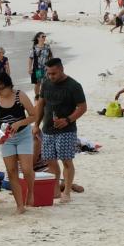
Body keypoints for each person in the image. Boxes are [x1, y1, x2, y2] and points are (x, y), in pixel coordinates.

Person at [32, 57, 87, 203]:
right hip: (48, 129)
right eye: (49, 73)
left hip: (67, 130)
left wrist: (68, 120)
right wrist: (36, 125)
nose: (51, 76)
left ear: (62, 69)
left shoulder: (74, 86)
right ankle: (56, 189)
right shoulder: (46, 84)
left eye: (54, 73)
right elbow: (41, 105)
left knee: (66, 161)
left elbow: (82, 108)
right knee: (50, 160)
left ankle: (67, 192)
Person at [0, 73, 36, 214]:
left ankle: (31, 192)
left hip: (24, 135)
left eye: (1, 88)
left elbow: (34, 115)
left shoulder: (20, 95)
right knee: (12, 171)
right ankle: (20, 205)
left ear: (9, 85)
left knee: (26, 169)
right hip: (6, 138)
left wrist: (20, 122)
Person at [28, 33, 51, 100]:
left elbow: (50, 56)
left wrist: (51, 66)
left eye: (45, 36)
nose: (44, 37)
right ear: (38, 38)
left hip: (46, 68)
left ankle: (45, 96)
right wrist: (29, 68)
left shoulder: (47, 46)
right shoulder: (34, 48)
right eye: (42, 36)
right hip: (38, 68)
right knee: (38, 83)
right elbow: (30, 58)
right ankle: (37, 96)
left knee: (46, 82)